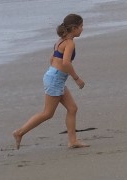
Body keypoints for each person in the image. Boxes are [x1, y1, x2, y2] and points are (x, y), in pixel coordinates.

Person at [13, 14, 88, 149]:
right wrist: (77, 79)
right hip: (55, 79)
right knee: (47, 113)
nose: (83, 29)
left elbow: (52, 58)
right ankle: (19, 132)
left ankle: (72, 141)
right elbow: (66, 63)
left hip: (53, 76)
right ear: (74, 28)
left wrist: (56, 73)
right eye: (81, 26)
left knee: (72, 108)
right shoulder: (69, 43)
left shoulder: (60, 41)